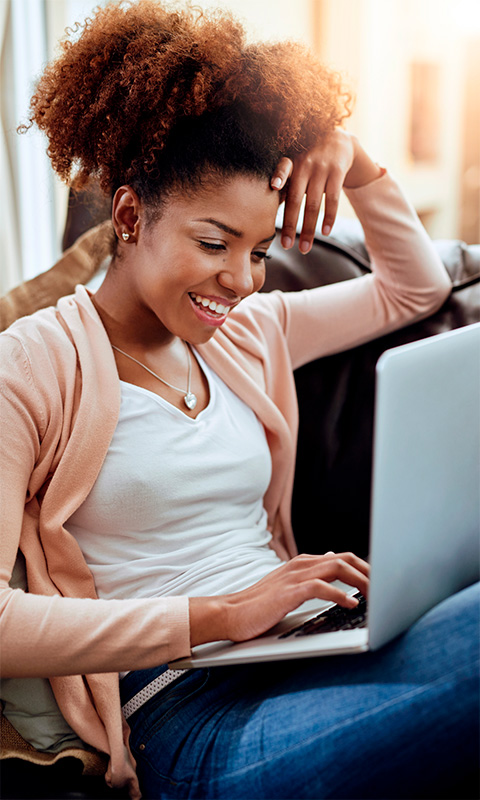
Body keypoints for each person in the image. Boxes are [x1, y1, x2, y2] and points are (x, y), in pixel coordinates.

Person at [0, 2, 478, 799]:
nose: (243, 281)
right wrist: (219, 616)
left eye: (258, 251)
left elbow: (416, 288)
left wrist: (351, 159)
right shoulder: (32, 365)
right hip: (185, 716)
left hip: (307, 654)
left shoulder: (248, 332)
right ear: (127, 216)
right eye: (214, 244)